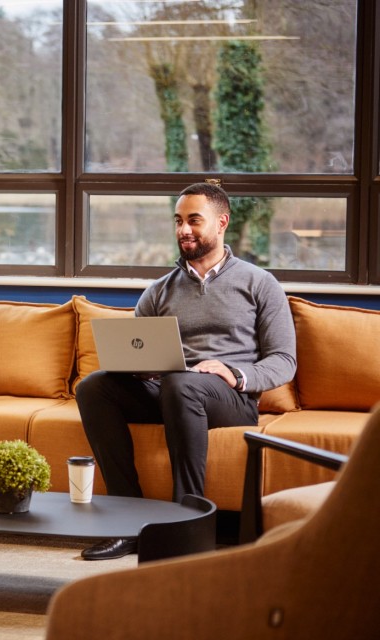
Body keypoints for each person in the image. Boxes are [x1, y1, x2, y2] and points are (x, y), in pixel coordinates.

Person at [76, 182, 297, 560]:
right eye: (178, 220)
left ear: (221, 222)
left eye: (194, 220)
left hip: (231, 398)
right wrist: (138, 369)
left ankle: (186, 523)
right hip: (171, 390)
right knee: (94, 387)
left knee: (182, 384)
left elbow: (283, 361)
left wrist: (234, 373)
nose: (184, 229)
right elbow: (137, 346)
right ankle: (126, 520)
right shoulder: (160, 290)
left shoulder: (259, 283)